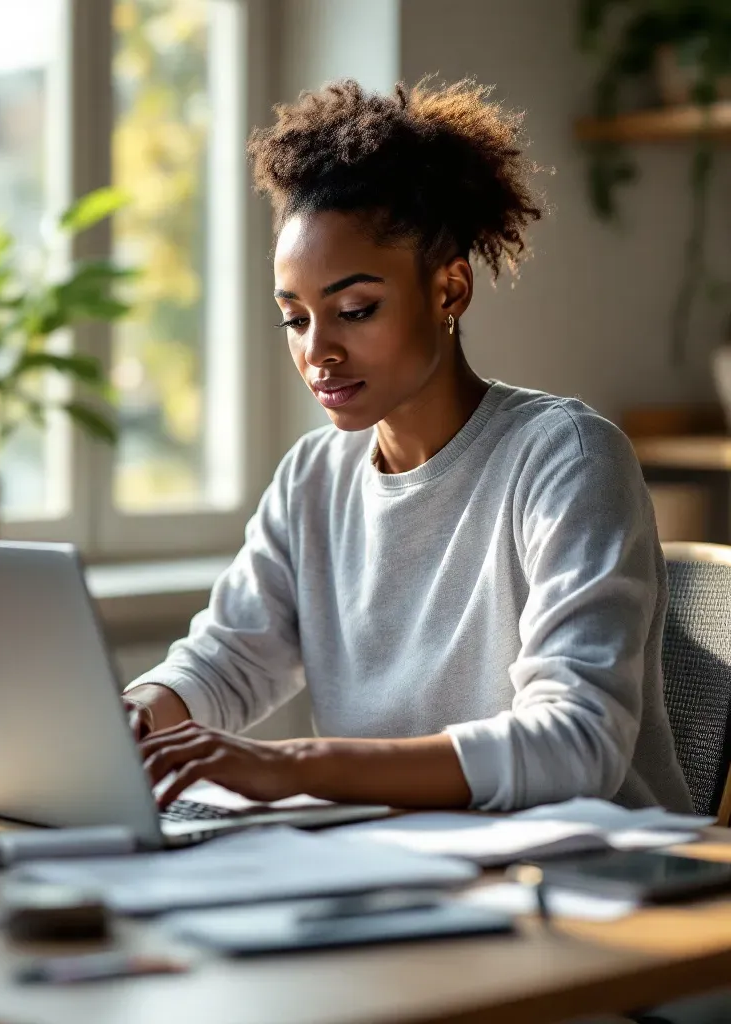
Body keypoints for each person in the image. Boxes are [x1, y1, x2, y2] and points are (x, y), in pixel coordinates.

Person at [123, 77, 692, 817]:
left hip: (596, 887)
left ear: (450, 290)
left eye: (355, 310)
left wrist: (296, 766)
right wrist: (130, 719)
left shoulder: (567, 459)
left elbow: (576, 742)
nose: (318, 351)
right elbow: (229, 658)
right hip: (406, 872)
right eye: (294, 319)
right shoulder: (311, 480)